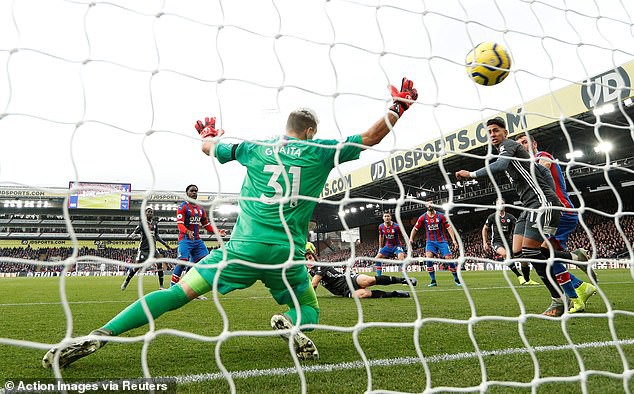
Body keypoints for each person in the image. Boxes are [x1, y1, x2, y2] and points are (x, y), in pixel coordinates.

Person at [42, 77, 418, 368]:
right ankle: (294, 326)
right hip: (286, 255)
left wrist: (209, 136)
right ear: (308, 132)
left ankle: (104, 332)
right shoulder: (319, 151)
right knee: (309, 307)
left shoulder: (253, 148)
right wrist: (398, 108)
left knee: (176, 295)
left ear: (286, 127)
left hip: (242, 248)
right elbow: (370, 137)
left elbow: (209, 148)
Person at [455, 117, 589, 316]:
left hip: (541, 205)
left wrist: (471, 174)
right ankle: (575, 257)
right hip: (531, 206)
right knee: (520, 251)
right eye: (489, 131)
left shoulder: (508, 146)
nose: (492, 134)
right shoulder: (517, 156)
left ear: (505, 133)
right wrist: (551, 194)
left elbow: (500, 166)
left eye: (496, 130)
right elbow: (543, 172)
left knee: (531, 252)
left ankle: (558, 301)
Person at [516, 133, 597, 301]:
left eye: (525, 142)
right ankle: (578, 291)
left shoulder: (542, 156)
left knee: (537, 251)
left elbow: (544, 167)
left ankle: (577, 270)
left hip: (560, 211)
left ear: (534, 144)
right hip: (552, 213)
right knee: (546, 255)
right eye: (519, 144)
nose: (523, 146)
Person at [306, 242, 414, 298]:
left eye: (310, 258)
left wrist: (312, 299)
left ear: (314, 257)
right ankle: (395, 294)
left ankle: (403, 280)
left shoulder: (320, 266)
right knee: (364, 294)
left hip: (348, 279)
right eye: (305, 260)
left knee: (368, 281)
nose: (308, 261)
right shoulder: (309, 270)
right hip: (344, 291)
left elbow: (314, 284)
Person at [170, 184, 225, 291]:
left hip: (197, 241)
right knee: (183, 261)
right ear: (187, 193)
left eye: (196, 191)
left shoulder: (200, 209)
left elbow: (206, 225)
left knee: (204, 260)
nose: (194, 193)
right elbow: (180, 225)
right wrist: (187, 231)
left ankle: (188, 287)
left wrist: (218, 231)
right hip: (185, 239)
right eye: (192, 191)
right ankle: (171, 288)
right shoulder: (182, 207)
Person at [482, 198, 540, 285]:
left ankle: (527, 280)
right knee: (505, 254)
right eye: (498, 203)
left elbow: (518, 227)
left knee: (523, 260)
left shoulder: (510, 217)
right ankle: (519, 276)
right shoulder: (492, 217)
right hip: (497, 242)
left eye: (502, 203)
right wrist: (485, 242)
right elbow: (485, 229)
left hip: (509, 242)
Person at [121, 207, 173, 291]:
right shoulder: (142, 224)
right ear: (145, 214)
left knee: (159, 263)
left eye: (151, 212)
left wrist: (165, 244)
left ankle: (161, 286)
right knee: (137, 267)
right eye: (148, 212)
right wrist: (135, 235)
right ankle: (127, 281)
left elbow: (156, 236)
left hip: (153, 249)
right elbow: (134, 233)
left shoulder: (155, 224)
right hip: (143, 249)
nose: (150, 213)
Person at [409, 201, 461, 287]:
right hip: (430, 242)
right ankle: (433, 281)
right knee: (428, 258)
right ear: (426, 206)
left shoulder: (441, 216)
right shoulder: (423, 217)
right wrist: (411, 238)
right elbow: (415, 228)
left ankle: (456, 279)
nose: (430, 205)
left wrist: (454, 240)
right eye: (428, 204)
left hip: (442, 241)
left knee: (449, 258)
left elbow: (449, 228)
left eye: (431, 203)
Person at [373, 212, 406, 277]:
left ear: (390, 217)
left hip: (397, 246)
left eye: (388, 216)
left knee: (401, 259)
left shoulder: (396, 226)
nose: (387, 218)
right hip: (388, 246)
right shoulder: (381, 227)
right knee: (376, 258)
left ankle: (405, 278)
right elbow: (381, 236)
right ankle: (378, 277)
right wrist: (380, 247)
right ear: (383, 218)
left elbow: (403, 234)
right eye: (385, 216)